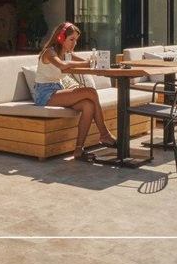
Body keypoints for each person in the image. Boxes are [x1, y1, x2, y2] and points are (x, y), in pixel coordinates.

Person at [34, 22, 118, 161]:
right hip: (44, 94)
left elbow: (88, 63)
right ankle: (104, 134)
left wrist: (99, 61)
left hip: (58, 90)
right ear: (61, 38)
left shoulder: (67, 54)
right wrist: (87, 63)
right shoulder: (50, 52)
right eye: (71, 39)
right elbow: (62, 66)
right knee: (91, 92)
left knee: (88, 105)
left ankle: (79, 150)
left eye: (76, 40)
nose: (74, 43)